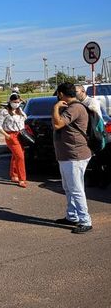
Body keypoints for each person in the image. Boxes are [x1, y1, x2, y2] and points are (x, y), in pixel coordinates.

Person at [52, 83, 93, 234]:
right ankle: (72, 216)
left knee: (76, 189)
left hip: (75, 155)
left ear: (61, 94)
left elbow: (57, 124)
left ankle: (85, 220)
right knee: (68, 188)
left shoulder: (75, 108)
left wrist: (55, 108)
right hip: (67, 155)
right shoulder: (70, 107)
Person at [0, 93, 28, 188]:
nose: (17, 103)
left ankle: (14, 174)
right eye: (15, 102)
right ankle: (22, 179)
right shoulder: (4, 112)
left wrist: (21, 100)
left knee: (16, 155)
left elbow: (25, 117)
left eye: (18, 102)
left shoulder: (19, 110)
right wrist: (6, 135)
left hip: (20, 134)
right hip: (11, 135)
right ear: (10, 101)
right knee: (20, 157)